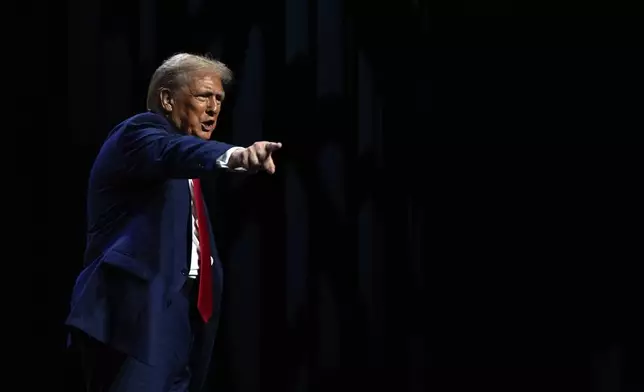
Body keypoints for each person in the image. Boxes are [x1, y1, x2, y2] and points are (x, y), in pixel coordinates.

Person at [65, 53, 282, 391]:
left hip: (186, 322)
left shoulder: (184, 172)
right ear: (167, 99)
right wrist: (235, 156)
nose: (214, 108)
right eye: (203, 96)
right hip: (139, 320)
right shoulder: (140, 134)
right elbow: (172, 152)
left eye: (220, 99)